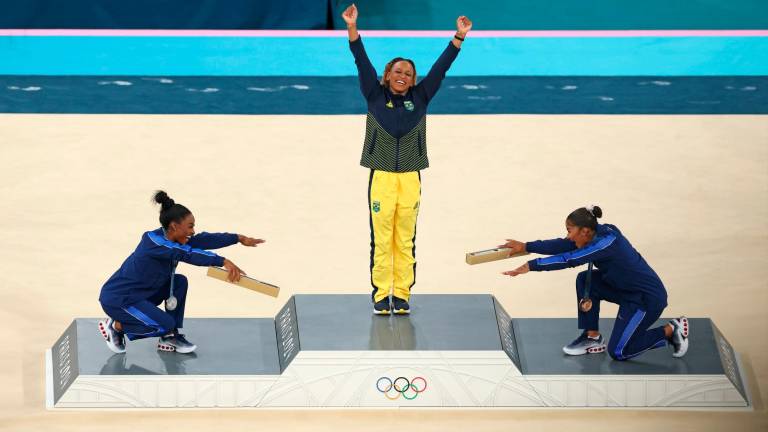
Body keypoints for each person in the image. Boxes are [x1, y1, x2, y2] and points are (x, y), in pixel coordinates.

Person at [342, 3, 472, 315]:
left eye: (408, 74)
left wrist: (458, 37)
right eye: (397, 71)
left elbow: (440, 69)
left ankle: (400, 295)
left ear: (413, 81)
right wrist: (352, 29)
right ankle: (379, 294)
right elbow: (361, 62)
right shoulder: (374, 95)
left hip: (411, 177)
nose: (403, 76)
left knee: (405, 239)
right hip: (382, 178)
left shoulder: (421, 97)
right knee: (382, 238)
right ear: (387, 75)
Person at [500, 206, 689, 360]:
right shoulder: (591, 235)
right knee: (585, 280)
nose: (568, 236)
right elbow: (562, 245)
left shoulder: (606, 243)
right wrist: (526, 246)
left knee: (619, 352)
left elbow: (569, 259)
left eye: (569, 230)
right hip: (623, 290)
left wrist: (531, 266)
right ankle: (592, 337)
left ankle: (671, 330)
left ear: (585, 231)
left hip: (645, 300)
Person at [97, 190, 264, 354]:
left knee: (179, 281)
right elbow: (186, 254)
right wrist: (223, 261)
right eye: (190, 226)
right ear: (174, 226)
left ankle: (169, 337)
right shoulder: (153, 241)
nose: (193, 231)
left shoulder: (176, 237)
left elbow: (204, 239)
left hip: (142, 294)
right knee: (164, 324)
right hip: (119, 298)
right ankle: (117, 326)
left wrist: (238, 238)